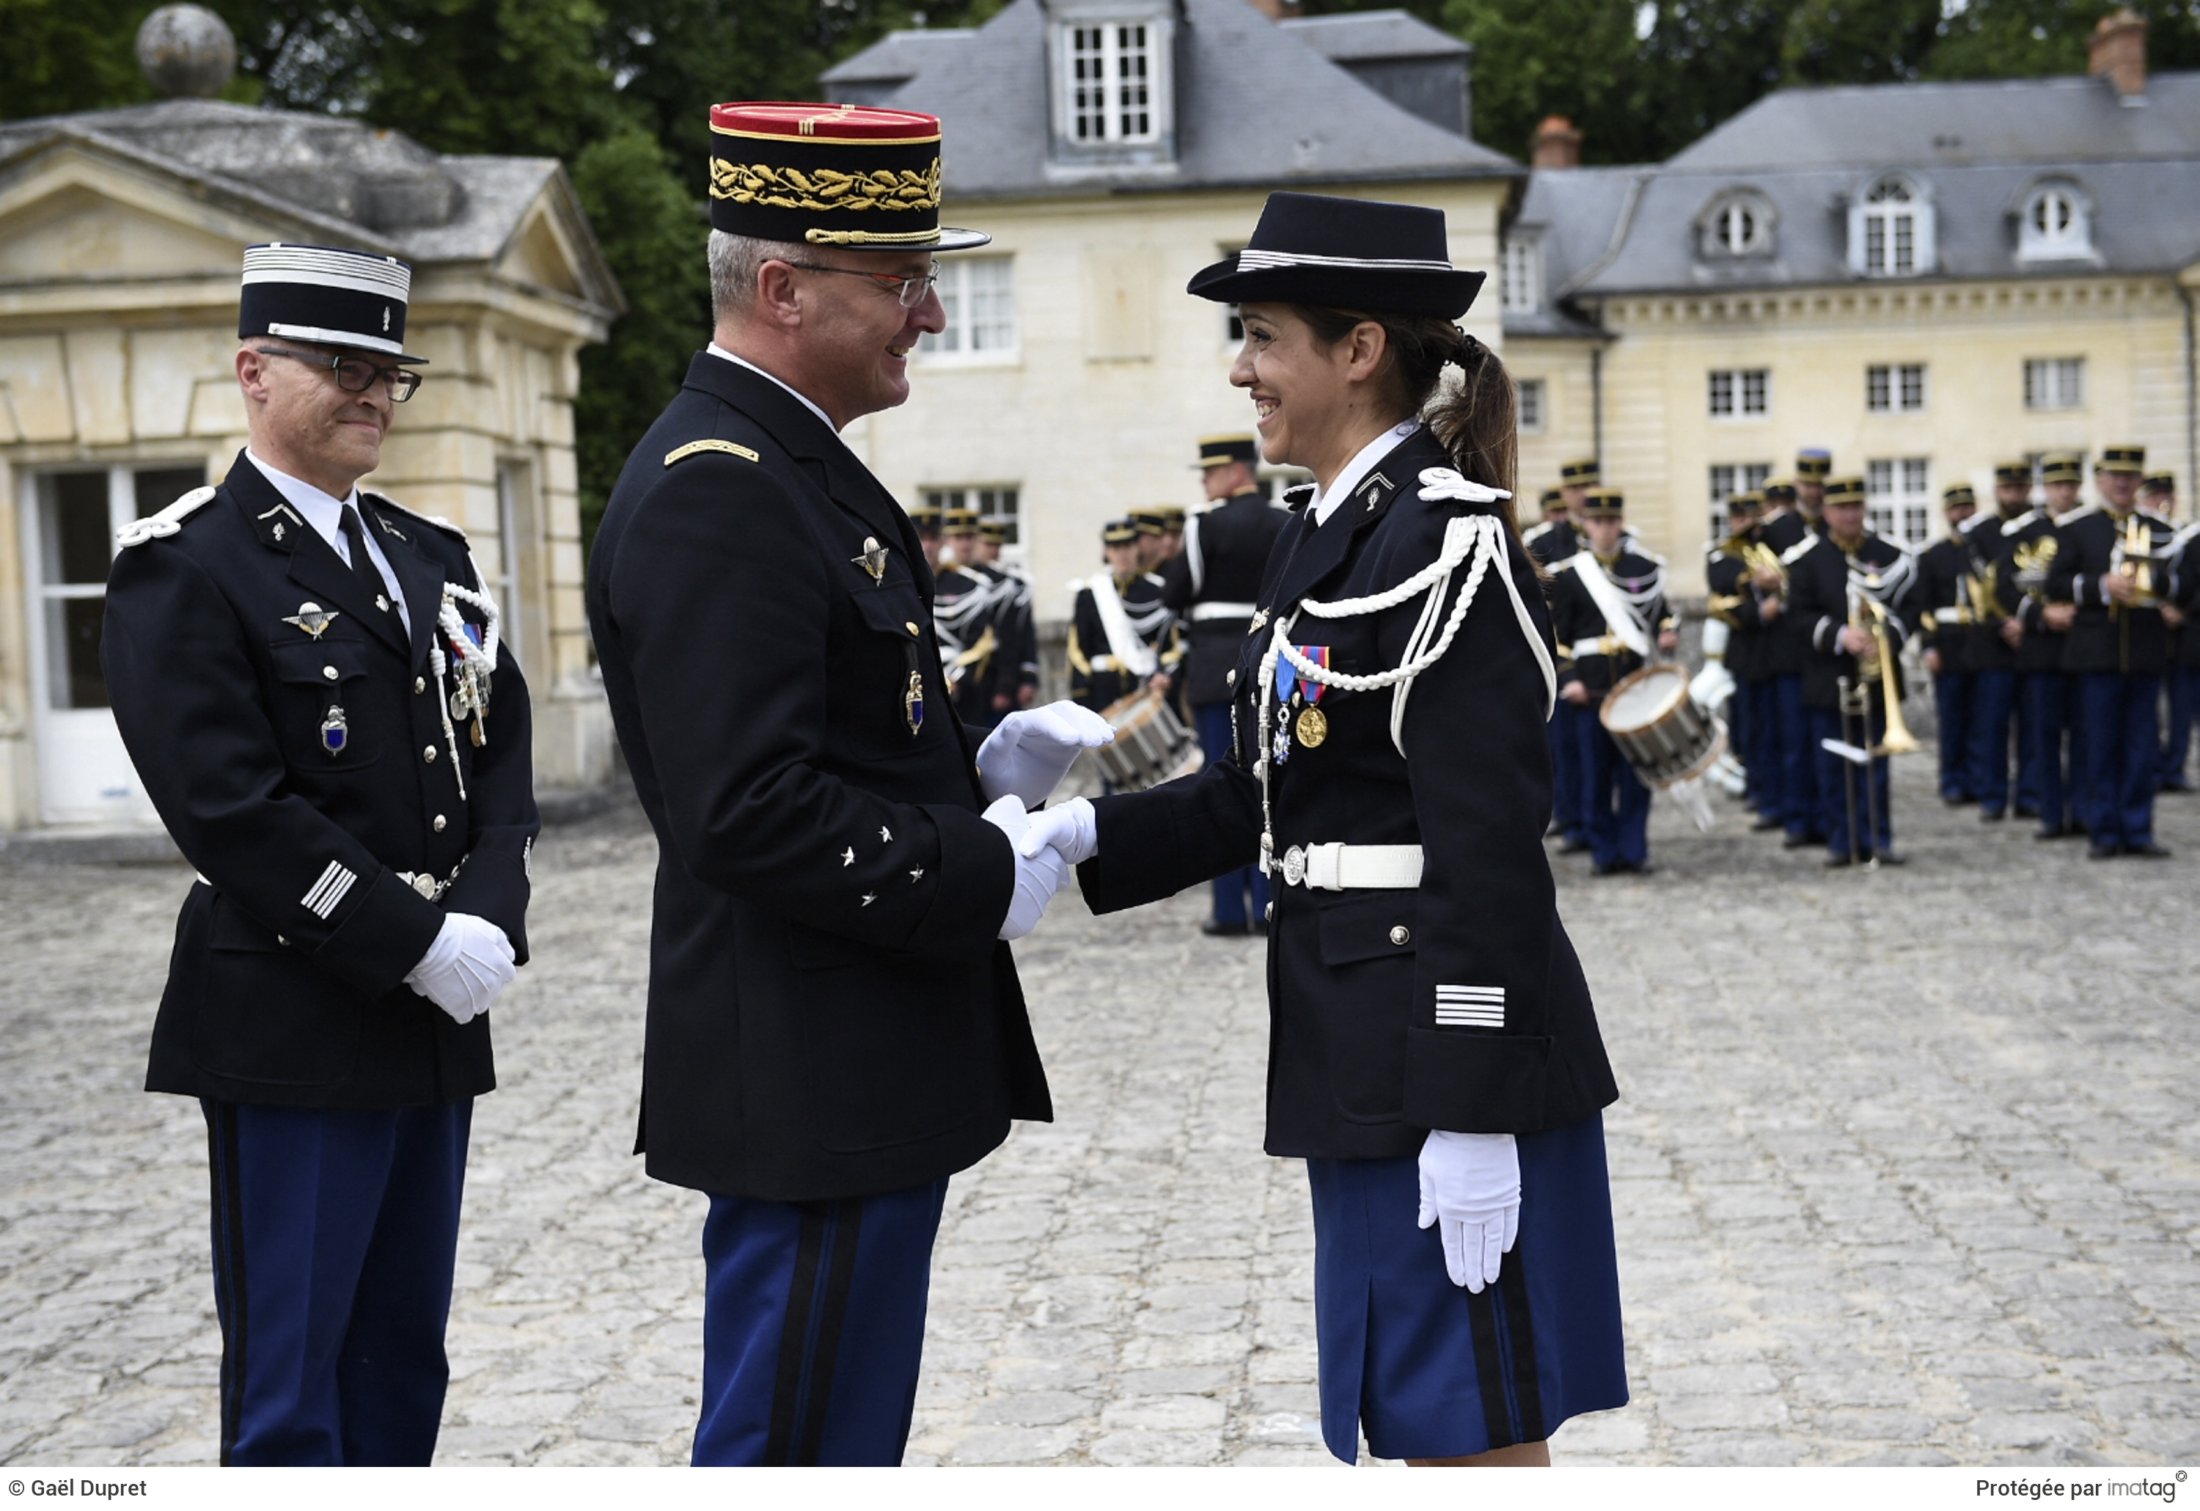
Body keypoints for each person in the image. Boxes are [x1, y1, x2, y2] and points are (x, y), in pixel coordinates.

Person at [1026, 191, 1627, 1466]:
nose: (1241, 368)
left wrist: (1471, 1114)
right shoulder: (1332, 534)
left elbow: (1488, 853)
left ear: (1358, 349)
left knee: (1475, 1423)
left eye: (1261, 335)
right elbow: (1269, 786)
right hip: (1357, 1039)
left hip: (1442, 1054)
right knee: (1424, 1407)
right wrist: (1077, 838)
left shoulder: (1444, 544)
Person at [583, 101, 1108, 1467]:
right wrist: (985, 865)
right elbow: (744, 808)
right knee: (793, 1439)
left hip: (853, 1048)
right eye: (900, 283)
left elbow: (833, 733)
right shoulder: (723, 483)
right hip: (808, 1063)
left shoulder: (793, 467)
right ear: (780, 287)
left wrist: (969, 776)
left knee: (841, 1430)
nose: (926, 313)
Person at [102, 244, 537, 1464]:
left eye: (391, 372)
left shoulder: (426, 555)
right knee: (296, 1375)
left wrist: (488, 916)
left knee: (404, 1356)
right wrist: (411, 937)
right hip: (293, 1012)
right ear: (253, 370)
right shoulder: (184, 563)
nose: (373, 394)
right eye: (342, 366)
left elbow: (496, 747)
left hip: (438, 1006)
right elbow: (228, 808)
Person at [1160, 433, 1289, 937]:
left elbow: (1178, 589)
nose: (1206, 482)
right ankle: (1267, 905)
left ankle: (1230, 912)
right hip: (1268, 664)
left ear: (1236, 471)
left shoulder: (1204, 523)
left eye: (1211, 472)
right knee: (1268, 786)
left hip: (1217, 668)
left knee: (1224, 783)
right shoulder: (1285, 521)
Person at [2047, 445, 2178, 858]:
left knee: (2142, 747)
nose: (2122, 483)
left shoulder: (2161, 530)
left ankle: (2137, 829)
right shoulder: (2077, 529)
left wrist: (2152, 585)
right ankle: (2103, 830)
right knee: (2098, 746)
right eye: (2114, 476)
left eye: (2130, 476)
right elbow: (2055, 584)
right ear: (2101, 481)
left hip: (2143, 653)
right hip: (2096, 655)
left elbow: (2186, 585)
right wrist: (2101, 586)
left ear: (2139, 481)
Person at [1787, 476, 1919, 866]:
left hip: (1878, 678)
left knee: (1877, 763)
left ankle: (1879, 839)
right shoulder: (1809, 560)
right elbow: (1797, 618)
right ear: (1827, 512)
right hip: (1830, 679)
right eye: (1842, 508)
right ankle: (1842, 842)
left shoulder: (1887, 554)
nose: (1850, 514)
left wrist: (1884, 637)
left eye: (1856, 507)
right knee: (1834, 766)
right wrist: (1841, 635)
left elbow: (1912, 607)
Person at [1552, 490, 1678, 876]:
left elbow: (1664, 615)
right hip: (1590, 692)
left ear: (1620, 523)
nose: (1605, 528)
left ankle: (1634, 849)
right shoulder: (1570, 575)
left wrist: (1668, 633)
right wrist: (1569, 680)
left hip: (1635, 688)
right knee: (1595, 774)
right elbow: (1558, 638)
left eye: (1611, 521)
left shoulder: (1643, 568)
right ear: (1586, 525)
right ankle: (1604, 852)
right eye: (1597, 521)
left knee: (1636, 776)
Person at [2000, 455, 2085, 841]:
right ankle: (2049, 811)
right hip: (2041, 646)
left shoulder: (2090, 528)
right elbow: (2004, 587)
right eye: (2057, 485)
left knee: (2086, 735)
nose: (2064, 492)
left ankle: (2084, 810)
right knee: (2042, 735)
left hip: (2083, 644)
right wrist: (2039, 614)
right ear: (2045, 488)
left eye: (2070, 484)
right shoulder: (2023, 531)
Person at [1706, 491, 1785, 831]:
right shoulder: (1722, 556)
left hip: (1778, 652)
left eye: (1751, 517)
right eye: (1739, 518)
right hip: (1746, 653)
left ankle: (1775, 794)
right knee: (1749, 728)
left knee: (1775, 729)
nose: (1745, 524)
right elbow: (1722, 600)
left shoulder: (1774, 547)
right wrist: (1757, 602)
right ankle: (1758, 790)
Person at [1966, 462, 2031, 821]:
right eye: (2008, 489)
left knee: (2034, 727)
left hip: (2032, 642)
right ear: (1997, 491)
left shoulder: (2039, 528)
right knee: (1991, 727)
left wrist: (2027, 621)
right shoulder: (1980, 532)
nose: (2014, 495)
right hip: (1992, 643)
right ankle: (1992, 796)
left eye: (2020, 489)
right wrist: (2004, 623)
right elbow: (1976, 585)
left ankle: (2029, 796)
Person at [1759, 479, 1823, 848]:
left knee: (1820, 742)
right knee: (1794, 743)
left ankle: (1822, 817)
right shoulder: (1778, 529)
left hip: (1820, 651)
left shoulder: (1825, 528)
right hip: (1787, 654)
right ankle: (1797, 818)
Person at [1525, 484, 1587, 853]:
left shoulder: (1593, 539)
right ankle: (1567, 813)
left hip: (1591, 651)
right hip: (1553, 650)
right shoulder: (1542, 541)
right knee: (1560, 745)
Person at [1068, 518, 1182, 713]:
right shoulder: (1090, 593)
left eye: (1127, 546)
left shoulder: (1157, 591)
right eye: (1115, 547)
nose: (1122, 554)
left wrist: (1164, 675)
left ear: (1136, 548)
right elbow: (1078, 649)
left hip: (1145, 685)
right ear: (1106, 551)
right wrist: (1082, 693)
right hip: (1102, 689)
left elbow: (1171, 646)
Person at [1916, 484, 1982, 806]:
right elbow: (1923, 606)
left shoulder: (1981, 551)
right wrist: (1929, 647)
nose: (1962, 514)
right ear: (1946, 513)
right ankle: (1952, 780)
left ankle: (1978, 778)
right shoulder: (1933, 556)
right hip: (1949, 645)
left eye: (1967, 507)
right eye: (1956, 508)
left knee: (1981, 718)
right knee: (1952, 718)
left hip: (1981, 645)